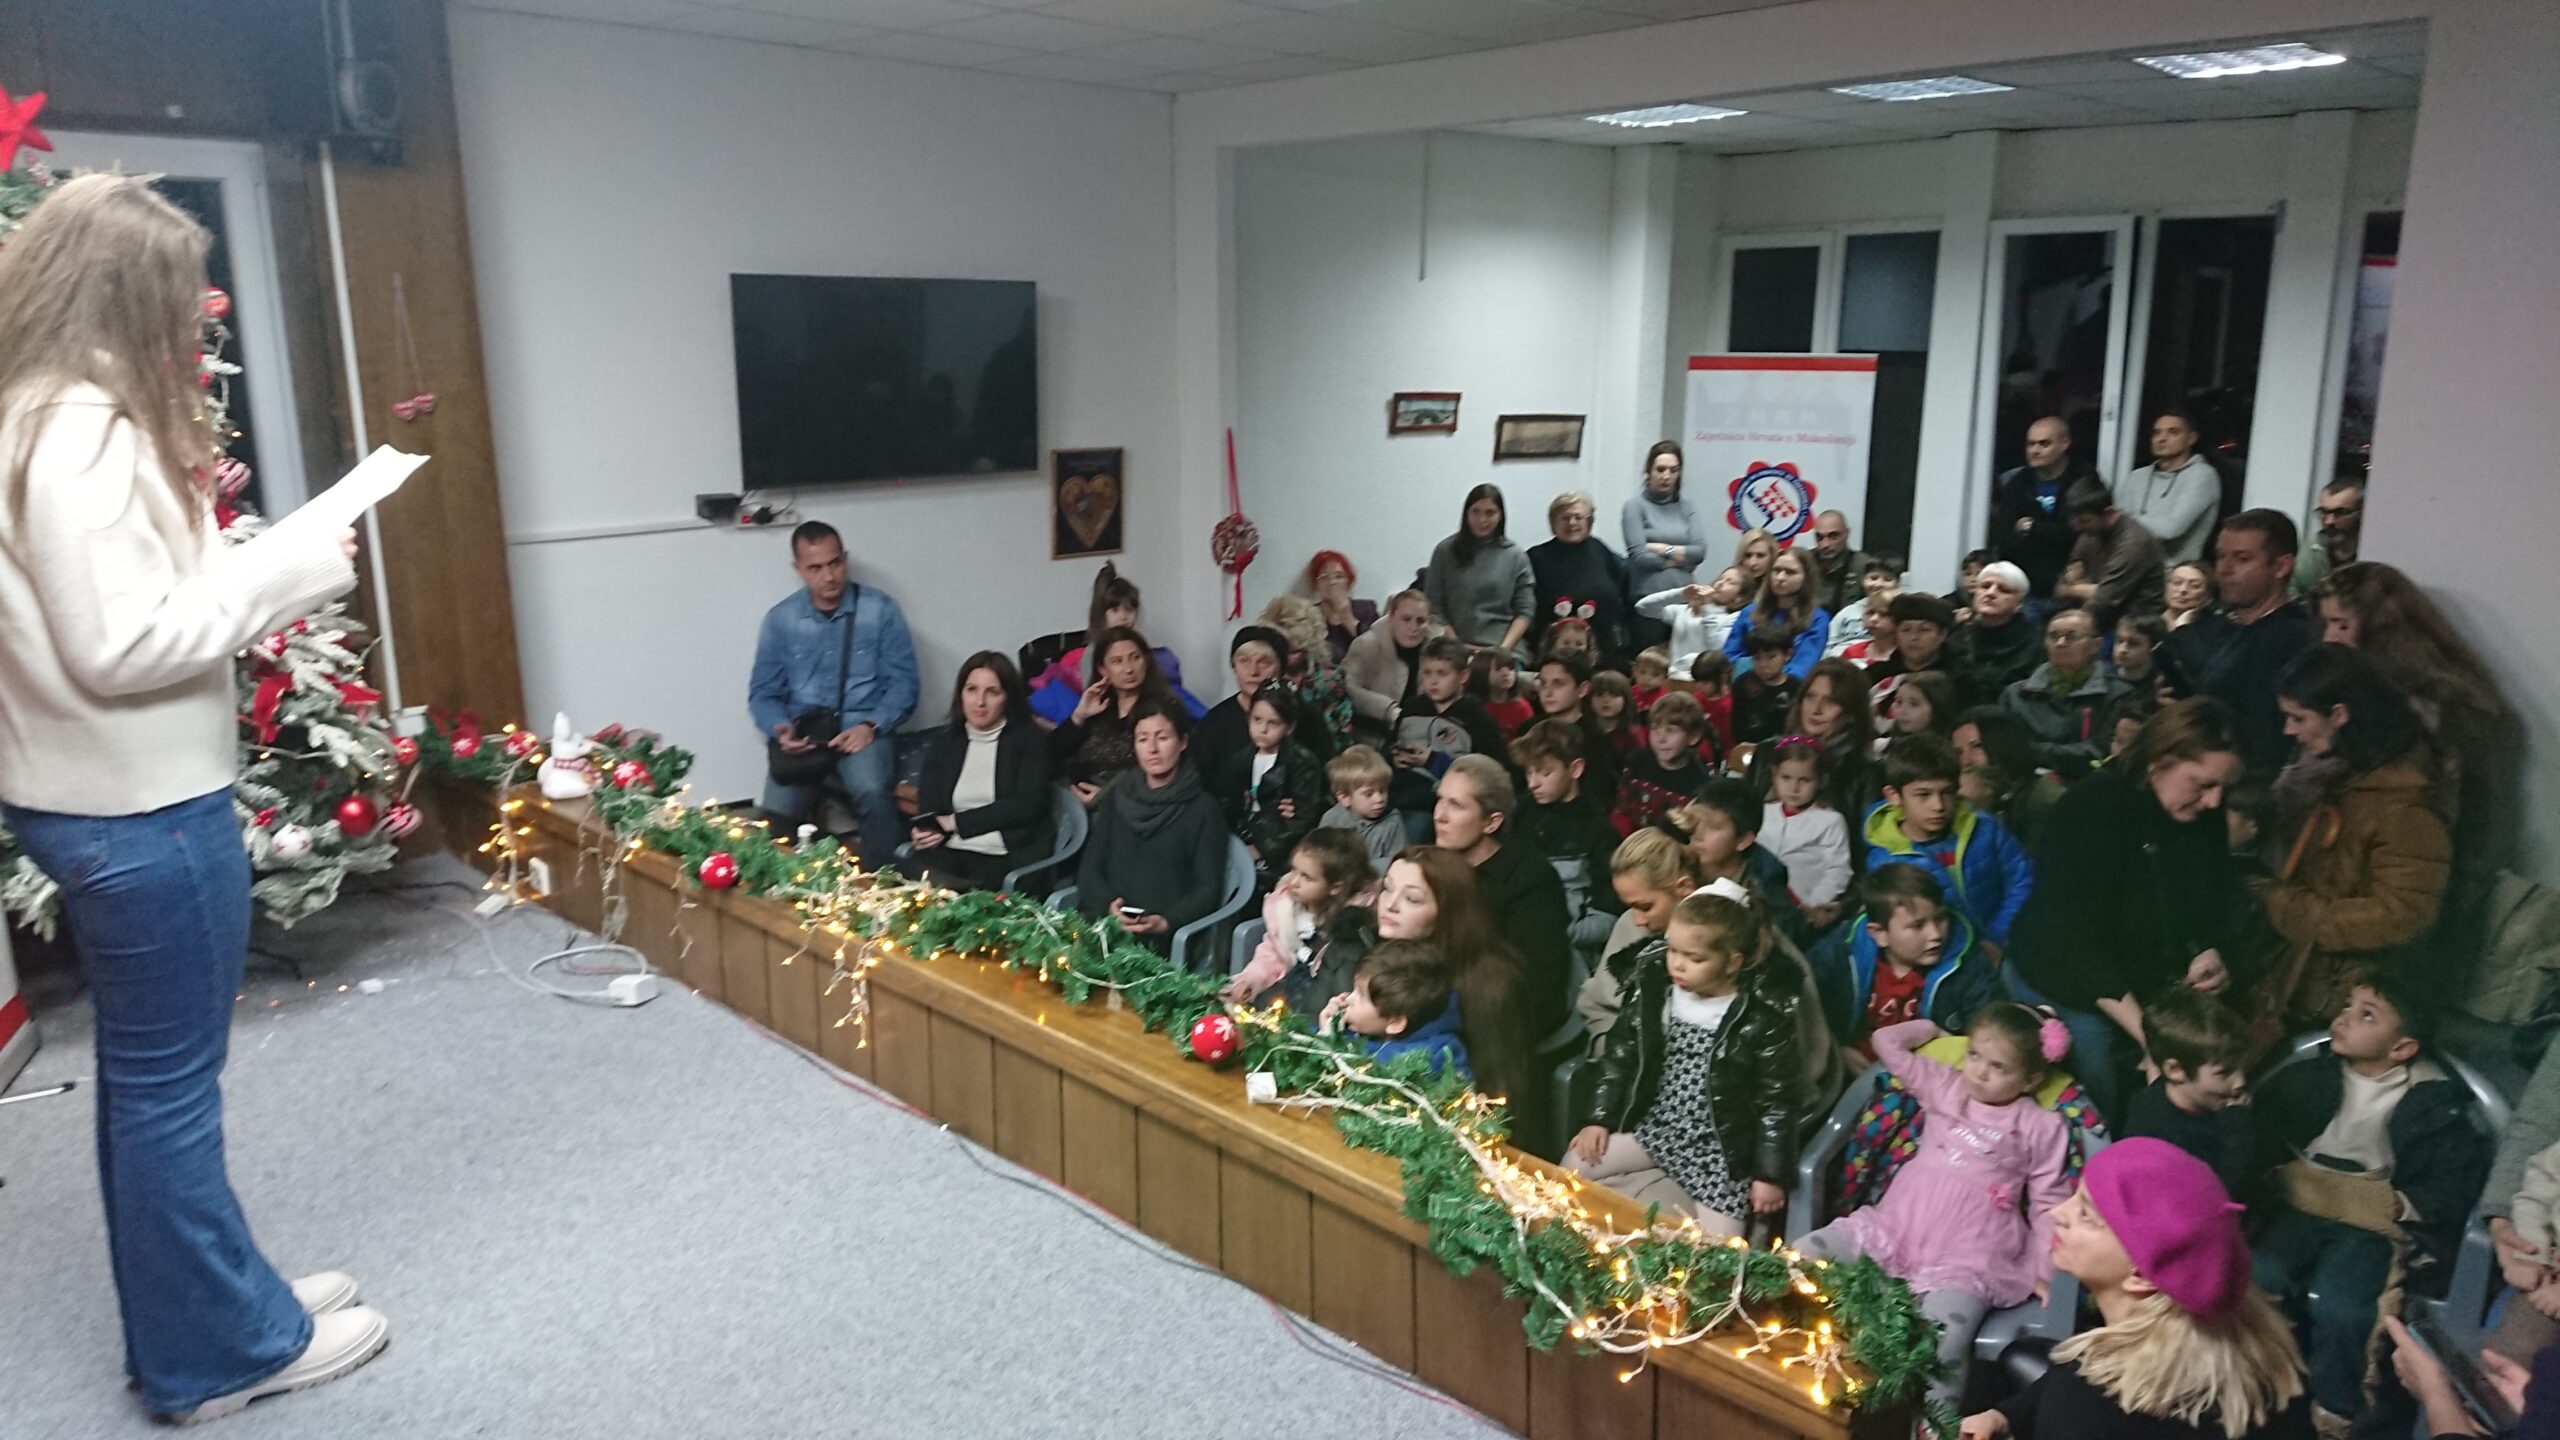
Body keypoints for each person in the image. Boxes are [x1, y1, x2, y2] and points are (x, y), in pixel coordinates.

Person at [0, 174, 389, 1423]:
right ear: (119, 293)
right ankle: (221, 1355)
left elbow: (115, 603)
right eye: (180, 295)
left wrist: (248, 560)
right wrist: (286, 574)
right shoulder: (81, 436)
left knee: (149, 1087)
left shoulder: (28, 416)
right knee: (169, 1094)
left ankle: (215, 1310)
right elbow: (121, 645)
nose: (196, 320)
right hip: (141, 808)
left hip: (94, 795)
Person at [1799, 1008, 2074, 1409]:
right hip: (1898, 1227)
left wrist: (2043, 1269)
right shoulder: (1945, 1084)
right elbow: (1886, 1043)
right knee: (1801, 1257)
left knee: (1945, 1336)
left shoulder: (2040, 1126)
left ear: (2032, 1079)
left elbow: (2050, 1201)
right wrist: (1933, 1030)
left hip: (1971, 1252)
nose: (1979, 1072)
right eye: (1974, 1055)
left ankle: (1934, 1426)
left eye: (1998, 1067)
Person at [2252, 976, 2492, 1426]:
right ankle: (2255, 1381)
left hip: (2368, 1218)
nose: (2343, 1018)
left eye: (2366, 1015)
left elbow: (2454, 1178)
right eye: (2347, 1005)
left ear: (2401, 1048)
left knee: (2344, 1306)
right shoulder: (2309, 1077)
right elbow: (2261, 1134)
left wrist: (2400, 1205)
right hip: (2301, 1200)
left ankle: (2336, 1409)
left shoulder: (2432, 1102)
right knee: (2260, 1275)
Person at [1962, 1139, 2314, 1440]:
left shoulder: (2088, 1406)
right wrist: (2008, 1416)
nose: (2058, 1212)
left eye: (2086, 1215)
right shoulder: (2262, 1363)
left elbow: (2079, 1387)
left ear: (2141, 1276)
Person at [2004, 699, 2248, 1119]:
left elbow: (2215, 891)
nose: (2213, 802)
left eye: (2223, 789)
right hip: (2069, 983)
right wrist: (2152, 1040)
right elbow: (2075, 943)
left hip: (2147, 978)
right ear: (2159, 763)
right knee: (2101, 1099)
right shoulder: (2091, 809)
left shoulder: (2201, 812)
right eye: (2202, 785)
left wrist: (2211, 948)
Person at [1568, 882, 1808, 1235]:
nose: (1677, 965)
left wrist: (1770, 1175)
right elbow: (1619, 1056)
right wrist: (1597, 1119)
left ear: (1732, 962)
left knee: (1720, 1248)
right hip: (1658, 1131)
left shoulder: (1762, 1018)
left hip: (1719, 1155)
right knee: (1574, 1164)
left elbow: (1778, 1100)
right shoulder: (1657, 993)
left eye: (1695, 958)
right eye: (1672, 951)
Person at [2260, 644, 2452, 1027]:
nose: (2289, 731)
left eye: (2298, 718)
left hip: (2346, 995)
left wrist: (2291, 911)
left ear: (2339, 715)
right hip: (2314, 972)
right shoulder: (2350, 774)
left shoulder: (2404, 805)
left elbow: (2403, 913)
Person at [2314, 561, 2514, 876]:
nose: (2329, 638)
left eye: (2341, 625)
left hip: (2421, 868)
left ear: (2383, 630)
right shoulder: (2359, 686)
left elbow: (2456, 816)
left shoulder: (2442, 707)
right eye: (2327, 623)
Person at [750, 519, 919, 863]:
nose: (829, 576)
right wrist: (781, 730)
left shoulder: (880, 610)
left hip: (863, 729)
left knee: (872, 792)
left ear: (845, 559)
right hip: (805, 734)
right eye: (815, 568)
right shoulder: (781, 619)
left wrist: (871, 726)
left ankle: (881, 882)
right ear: (798, 569)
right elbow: (762, 693)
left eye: (835, 563)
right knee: (773, 820)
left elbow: (905, 684)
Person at [1364, 847, 1532, 1115]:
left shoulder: (1488, 985)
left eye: (1412, 898)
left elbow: (1497, 1095)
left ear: (1446, 912)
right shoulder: (1377, 954)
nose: (1390, 904)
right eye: (1387, 888)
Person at [2160, 510, 2318, 780]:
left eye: (2242, 559)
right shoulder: (2216, 626)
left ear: (2281, 567)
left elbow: (2261, 733)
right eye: (2221, 556)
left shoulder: (2291, 638)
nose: (2224, 569)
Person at [1435, 756, 1572, 1061]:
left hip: (1498, 1027)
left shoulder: (1531, 880)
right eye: (1440, 800)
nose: (1439, 816)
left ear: (1492, 822)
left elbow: (1536, 986)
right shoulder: (1432, 863)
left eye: (1456, 805)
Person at [1073, 701, 1228, 954]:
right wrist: (1108, 906)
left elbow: (1207, 888)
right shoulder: (1118, 796)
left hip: (1161, 938)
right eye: (1143, 739)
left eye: (1163, 738)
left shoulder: (1204, 809)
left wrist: (1167, 922)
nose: (1152, 749)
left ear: (1183, 742)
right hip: (1103, 924)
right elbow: (1090, 868)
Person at [1865, 733, 2035, 957]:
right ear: (1894, 796)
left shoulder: (1984, 828)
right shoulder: (1886, 860)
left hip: (2012, 942)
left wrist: (1998, 936)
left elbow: (2021, 879)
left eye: (1946, 793)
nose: (1938, 805)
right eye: (1923, 795)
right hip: (1950, 960)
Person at [1807, 864, 1991, 1067]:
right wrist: (1837, 1050)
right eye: (1917, 926)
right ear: (1880, 934)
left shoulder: (1969, 965)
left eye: (1940, 919)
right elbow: (1807, 1011)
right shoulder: (1840, 953)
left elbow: (1988, 1037)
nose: (1935, 934)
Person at [906, 652, 1055, 892]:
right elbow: (929, 802)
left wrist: (954, 822)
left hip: (1005, 855)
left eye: (992, 692)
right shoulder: (945, 743)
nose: (980, 702)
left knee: (957, 897)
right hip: (950, 849)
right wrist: (928, 830)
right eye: (972, 690)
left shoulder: (1030, 741)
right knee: (904, 882)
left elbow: (1026, 805)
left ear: (1008, 698)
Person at [2121, 983, 2255, 1201]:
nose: (2240, 1081)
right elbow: (2222, 1194)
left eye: (2240, 1066)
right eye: (2224, 1072)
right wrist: (2238, 1127)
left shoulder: (2206, 1101)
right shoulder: (2159, 1134)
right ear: (2175, 1070)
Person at [1029, 562, 1201, 724]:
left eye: (1130, 610)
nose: (1123, 617)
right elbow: (1094, 693)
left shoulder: (1139, 645)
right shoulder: (1093, 652)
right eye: (1115, 610)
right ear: (1102, 613)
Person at [1577, 827, 1709, 1037]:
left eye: (1645, 907)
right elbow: (1598, 1007)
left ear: (1685, 886)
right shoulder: (1629, 925)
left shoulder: (1732, 931)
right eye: (1631, 907)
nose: (1638, 920)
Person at [1513, 719, 1627, 961]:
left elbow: (1608, 913)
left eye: (1545, 773)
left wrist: (1562, 934)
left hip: (1569, 948)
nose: (1533, 783)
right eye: (1529, 772)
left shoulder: (1599, 831)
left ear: (1575, 769)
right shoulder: (1518, 813)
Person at [1225, 827, 1376, 1009]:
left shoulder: (1352, 926)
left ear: (1335, 887)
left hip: (1323, 1002)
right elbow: (1272, 953)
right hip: (1285, 993)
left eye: (1306, 877)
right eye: (1294, 870)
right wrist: (1251, 979)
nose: (1294, 882)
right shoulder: (1286, 909)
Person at [1747, 658, 1886, 832]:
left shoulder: (1867, 772)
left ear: (1851, 713)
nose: (1816, 709)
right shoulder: (1767, 753)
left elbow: (1864, 840)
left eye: (1831, 701)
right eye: (1810, 697)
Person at [2002, 606, 2136, 780]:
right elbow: (2006, 750)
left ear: (2096, 645)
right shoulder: (2015, 695)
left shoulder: (2119, 695)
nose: (2060, 643)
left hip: (2090, 784)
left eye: (2072, 636)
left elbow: (2102, 751)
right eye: (2053, 636)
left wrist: (2033, 750)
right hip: (2025, 782)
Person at [1050, 624, 1179, 800]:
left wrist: (1106, 797)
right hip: (1074, 798)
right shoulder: (1099, 706)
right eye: (1117, 661)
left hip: (1129, 801)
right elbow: (1048, 754)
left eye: (1135, 658)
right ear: (1102, 669)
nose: (1129, 669)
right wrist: (1079, 716)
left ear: (1146, 661)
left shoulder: (1162, 709)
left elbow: (1161, 770)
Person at [1221, 684, 1328, 893]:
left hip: (1279, 849)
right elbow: (1230, 803)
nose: (1263, 729)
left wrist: (1262, 848)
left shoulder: (1302, 763)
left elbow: (1303, 818)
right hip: (1243, 838)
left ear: (1289, 727)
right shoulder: (1240, 759)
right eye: (1257, 719)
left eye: (1273, 723)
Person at [1387, 636, 1508, 818]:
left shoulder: (1477, 718)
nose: (1433, 681)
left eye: (1442, 674)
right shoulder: (1412, 707)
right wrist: (1393, 758)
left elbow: (1487, 775)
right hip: (1396, 789)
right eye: (1427, 673)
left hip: (1438, 801)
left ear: (1463, 676)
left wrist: (1434, 762)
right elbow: (1390, 745)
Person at [1322, 940, 1471, 1081]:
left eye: (1361, 996)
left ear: (1395, 1022)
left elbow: (1372, 1074)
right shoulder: (1360, 1029)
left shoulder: (1438, 1056)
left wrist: (1330, 1045)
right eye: (1354, 989)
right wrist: (1326, 1030)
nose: (1348, 999)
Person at [1423, 483, 1536, 660]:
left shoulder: (1515, 556)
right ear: (1466, 513)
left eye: (1490, 513)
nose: (1482, 520)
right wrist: (1456, 646)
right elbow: (1434, 606)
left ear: (1500, 516)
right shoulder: (1445, 551)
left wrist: (1502, 650)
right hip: (1453, 648)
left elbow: (1525, 611)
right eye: (1476, 512)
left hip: (1504, 650)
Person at [1989, 414, 2097, 597]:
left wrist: (2031, 527)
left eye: (2044, 444)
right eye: (2030, 444)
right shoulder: (2017, 483)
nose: (2034, 450)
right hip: (2025, 583)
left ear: (2064, 443)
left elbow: (2076, 533)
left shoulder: (2083, 479)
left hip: (2070, 582)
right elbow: (2005, 537)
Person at [1529, 490, 1632, 661]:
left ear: (1589, 521)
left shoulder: (1600, 549)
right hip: (1555, 654)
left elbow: (1623, 585)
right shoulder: (1536, 556)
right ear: (1553, 523)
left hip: (1603, 650)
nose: (1572, 523)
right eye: (1565, 518)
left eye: (1578, 517)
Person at [1760, 736, 1852, 926]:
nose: (1794, 788)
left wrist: (1814, 903)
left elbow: (1838, 869)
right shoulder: (1763, 812)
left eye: (1805, 780)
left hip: (1801, 908)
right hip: (1757, 901)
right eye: (1786, 778)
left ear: (1821, 781)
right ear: (1774, 776)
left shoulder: (1830, 821)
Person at [2060, 477, 2170, 632]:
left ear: (2108, 513)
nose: (2077, 527)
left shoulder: (2133, 543)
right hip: (2104, 619)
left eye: (2084, 521)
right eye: (2075, 521)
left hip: (2135, 627)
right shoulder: (2091, 533)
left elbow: (2102, 602)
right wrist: (2086, 589)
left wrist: (2074, 589)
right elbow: (2060, 586)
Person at [2121, 409, 2226, 566]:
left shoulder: (2202, 475)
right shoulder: (2137, 476)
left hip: (2177, 573)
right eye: (2157, 433)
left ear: (2191, 438)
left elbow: (2170, 529)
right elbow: (2117, 528)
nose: (2162, 439)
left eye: (2173, 432)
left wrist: (2125, 520)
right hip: (2130, 568)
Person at [1191, 625, 1288, 792]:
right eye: (1244, 661)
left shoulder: (1303, 716)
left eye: (1264, 662)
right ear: (1233, 666)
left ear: (1281, 668)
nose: (1253, 671)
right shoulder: (1214, 723)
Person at [1612, 690, 1712, 836]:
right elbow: (1622, 810)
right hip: (1630, 843)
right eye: (1655, 729)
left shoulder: (1700, 783)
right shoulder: (1637, 761)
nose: (1661, 739)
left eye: (1671, 731)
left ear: (1693, 737)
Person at [1721, 545, 1830, 679]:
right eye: (1776, 570)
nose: (1780, 577)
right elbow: (1729, 656)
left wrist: (1776, 681)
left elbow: (1803, 666)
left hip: (1789, 687)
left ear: (1806, 578)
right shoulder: (1749, 612)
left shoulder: (1817, 619)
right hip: (1745, 682)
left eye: (1790, 572)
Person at [1341, 587, 1432, 746]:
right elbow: (1345, 687)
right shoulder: (1366, 644)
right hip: (1369, 739)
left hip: (1418, 737)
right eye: (1406, 619)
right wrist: (1389, 709)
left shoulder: (1432, 650)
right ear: (1391, 618)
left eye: (1421, 621)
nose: (1414, 627)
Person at [1622, 440, 1707, 603]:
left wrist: (1663, 549)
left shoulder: (1687, 506)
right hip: (1648, 599)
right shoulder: (1635, 506)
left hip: (1686, 599)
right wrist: (1682, 561)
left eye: (1673, 470)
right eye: (1660, 469)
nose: (1666, 476)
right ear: (1648, 471)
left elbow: (1699, 552)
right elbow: (1639, 557)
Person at [1531, 650, 1620, 803]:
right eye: (1543, 683)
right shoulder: (1529, 729)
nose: (1547, 692)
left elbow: (1599, 798)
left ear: (1582, 690)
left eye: (1558, 684)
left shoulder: (1596, 742)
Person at [1953, 560, 2044, 707]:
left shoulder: (2035, 646)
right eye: (1985, 586)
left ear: (2019, 604)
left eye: (2003, 590)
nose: (1990, 593)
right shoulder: (1958, 637)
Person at [1635, 564, 1745, 679]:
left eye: (1730, 582)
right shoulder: (1686, 610)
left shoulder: (1733, 618)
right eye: (1721, 578)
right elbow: (1643, 607)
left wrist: (1708, 607)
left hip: (1702, 680)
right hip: (1672, 676)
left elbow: (1717, 649)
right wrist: (1680, 594)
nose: (1720, 583)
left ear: (1740, 596)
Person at [1317, 744, 1405, 873]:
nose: (1379, 799)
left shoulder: (1392, 823)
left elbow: (1398, 865)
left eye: (1382, 790)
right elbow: (1318, 856)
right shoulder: (1332, 818)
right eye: (1369, 794)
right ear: (1345, 798)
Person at [2292, 478, 2364, 598]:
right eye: (2324, 512)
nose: (2329, 521)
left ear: (2361, 513)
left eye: (2340, 513)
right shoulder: (2307, 554)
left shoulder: (2374, 551)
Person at [1824, 553, 1903, 659]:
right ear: (1863, 580)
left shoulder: (1904, 612)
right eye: (1873, 578)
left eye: (1887, 579)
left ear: (1898, 583)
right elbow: (1829, 644)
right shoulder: (1847, 612)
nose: (1878, 584)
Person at [1730, 628, 1800, 746]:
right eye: (1757, 658)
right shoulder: (1742, 684)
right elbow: (1737, 726)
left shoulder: (1797, 687)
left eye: (1771, 657)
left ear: (1788, 654)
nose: (1763, 664)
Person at [1305, 548, 1376, 662]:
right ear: (1316, 584)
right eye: (1324, 577)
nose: (1332, 582)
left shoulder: (1367, 609)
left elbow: (1377, 651)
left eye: (1338, 576)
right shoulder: (1308, 616)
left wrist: (1348, 618)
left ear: (1348, 582)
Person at [1809, 509, 1866, 615]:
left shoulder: (1863, 565)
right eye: (1819, 537)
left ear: (1847, 533)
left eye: (1833, 537)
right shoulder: (1804, 562)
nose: (1825, 545)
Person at [1468, 648, 1534, 737]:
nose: (1506, 673)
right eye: (1498, 669)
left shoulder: (1521, 708)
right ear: (1481, 671)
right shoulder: (1471, 706)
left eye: (1511, 668)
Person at [2114, 611, 2169, 696]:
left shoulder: (2164, 683)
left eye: (2133, 643)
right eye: (2119, 641)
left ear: (2154, 647)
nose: (2122, 650)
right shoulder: (2105, 677)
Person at [2166, 561, 2215, 631]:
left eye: (2194, 586)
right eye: (2177, 582)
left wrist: (2181, 626)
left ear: (2207, 594)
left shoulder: (2216, 628)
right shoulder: (2151, 623)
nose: (2183, 590)